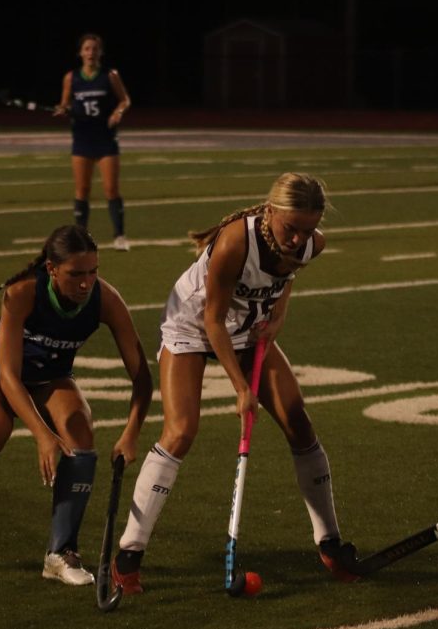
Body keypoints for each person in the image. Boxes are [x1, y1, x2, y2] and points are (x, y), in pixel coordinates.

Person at [111, 172, 362, 594]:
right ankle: (128, 555)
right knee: (181, 431)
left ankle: (331, 545)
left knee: (299, 421)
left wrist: (278, 315)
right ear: (270, 211)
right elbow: (211, 319)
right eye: (291, 229)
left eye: (307, 229)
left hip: (248, 327)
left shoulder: (313, 244)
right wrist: (241, 388)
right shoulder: (234, 242)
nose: (299, 239)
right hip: (193, 325)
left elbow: (288, 277)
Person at [0, 225, 153, 585]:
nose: (86, 283)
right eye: (76, 274)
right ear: (51, 269)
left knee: (80, 432)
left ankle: (60, 553)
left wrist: (132, 432)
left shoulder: (106, 300)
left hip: (51, 375)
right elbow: (9, 377)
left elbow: (142, 378)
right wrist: (43, 436)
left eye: (93, 272)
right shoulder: (22, 292)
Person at [54, 33, 131, 251]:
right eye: (86, 49)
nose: (90, 53)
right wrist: (63, 110)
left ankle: (120, 236)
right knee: (82, 189)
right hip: (82, 139)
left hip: (106, 139)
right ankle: (81, 239)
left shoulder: (110, 75)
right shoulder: (71, 77)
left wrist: (118, 112)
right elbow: (65, 103)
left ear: (100, 52)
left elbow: (125, 99)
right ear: (80, 53)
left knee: (111, 189)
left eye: (94, 49)